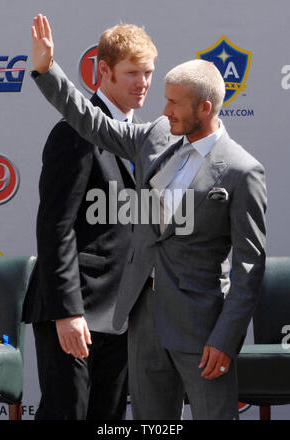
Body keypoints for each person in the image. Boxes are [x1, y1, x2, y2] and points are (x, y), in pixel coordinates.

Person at [30, 14, 267, 420]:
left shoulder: (241, 170)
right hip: (126, 324)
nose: (162, 106)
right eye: (137, 75)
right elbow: (90, 123)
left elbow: (249, 265)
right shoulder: (158, 134)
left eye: (173, 101)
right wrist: (47, 70)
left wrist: (227, 338)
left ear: (203, 108)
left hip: (194, 329)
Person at [23, 19, 157, 420]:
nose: (143, 83)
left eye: (148, 73)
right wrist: (68, 312)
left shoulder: (146, 138)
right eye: (132, 72)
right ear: (104, 71)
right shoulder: (75, 133)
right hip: (74, 312)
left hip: (120, 317)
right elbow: (56, 228)